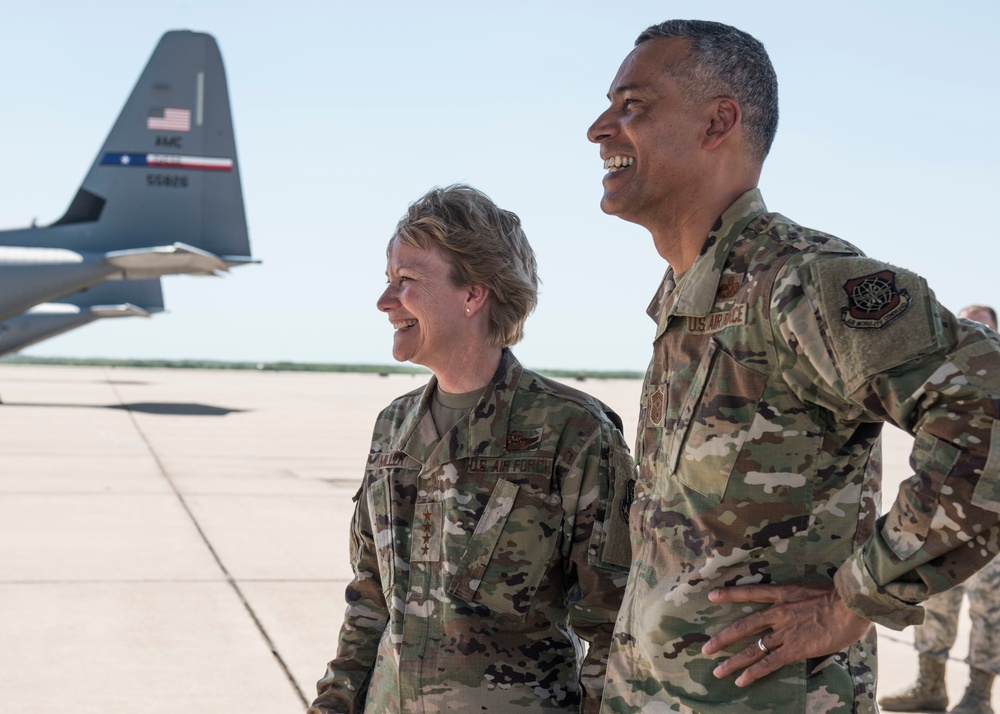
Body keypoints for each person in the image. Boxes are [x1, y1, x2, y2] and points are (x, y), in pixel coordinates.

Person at [586, 19, 1000, 714]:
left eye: (634, 106)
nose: (599, 128)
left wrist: (856, 598)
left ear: (719, 122)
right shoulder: (689, 304)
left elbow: (987, 409)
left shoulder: (800, 282)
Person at [308, 184, 634, 713]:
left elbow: (615, 626)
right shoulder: (393, 428)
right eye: (388, 280)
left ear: (472, 294)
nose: (385, 301)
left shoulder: (573, 432)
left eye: (407, 281)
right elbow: (369, 597)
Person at [881, 306, 1000, 714]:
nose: (973, 333)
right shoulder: (943, 385)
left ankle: (978, 696)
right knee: (933, 602)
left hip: (993, 524)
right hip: (942, 520)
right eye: (966, 325)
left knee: (991, 609)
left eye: (982, 326)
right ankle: (929, 687)